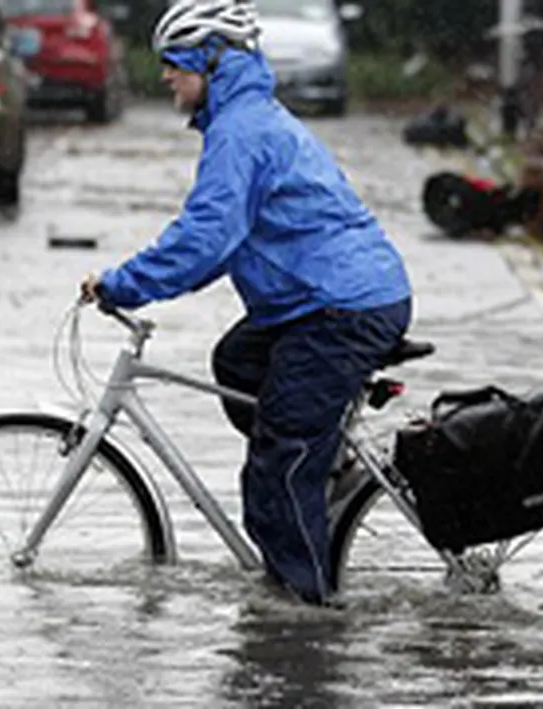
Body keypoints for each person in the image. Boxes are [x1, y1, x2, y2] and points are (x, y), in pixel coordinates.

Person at [79, 0, 413, 607]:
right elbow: (215, 242)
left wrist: (122, 283)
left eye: (174, 64)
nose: (165, 77)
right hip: (321, 301)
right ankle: (329, 469)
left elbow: (205, 241)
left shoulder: (241, 132)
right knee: (237, 362)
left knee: (278, 459)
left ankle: (305, 612)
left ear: (212, 61)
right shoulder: (244, 119)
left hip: (342, 308)